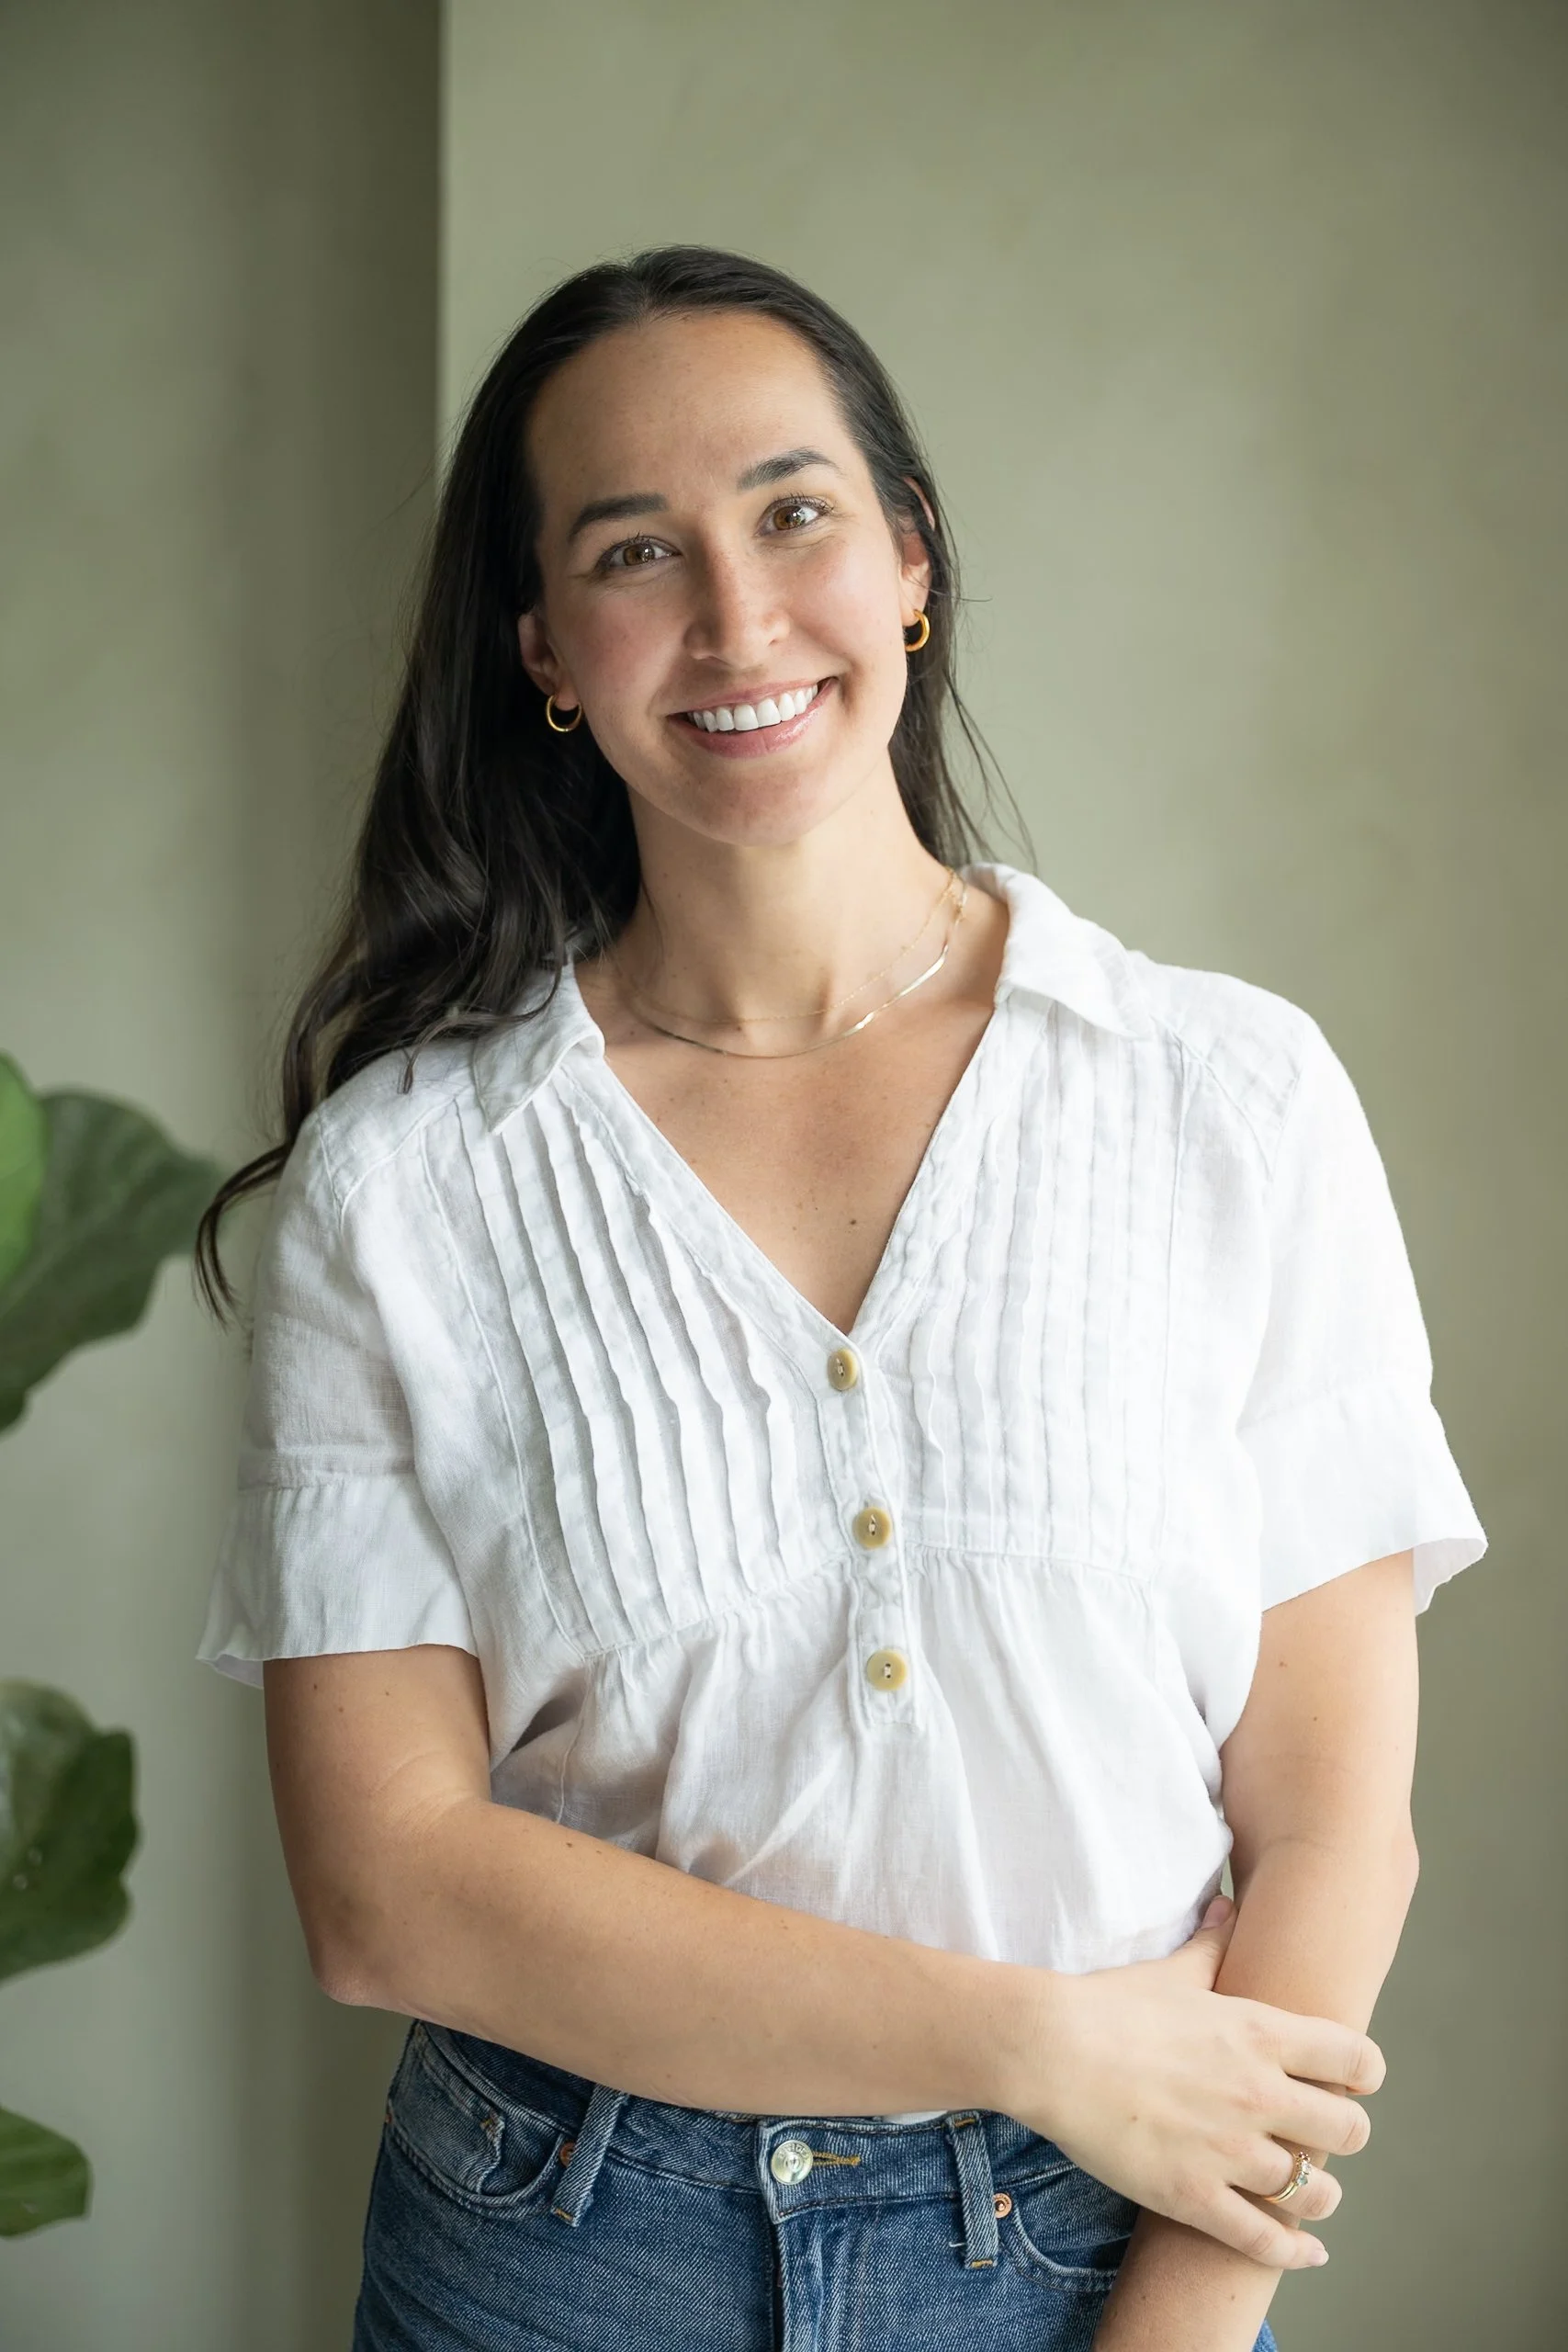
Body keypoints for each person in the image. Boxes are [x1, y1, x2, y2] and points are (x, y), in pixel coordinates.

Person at [197, 246, 1486, 2352]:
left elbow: (1334, 1821)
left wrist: (1187, 2311)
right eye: (635, 550)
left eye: (793, 511)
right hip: (563, 2245)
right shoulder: (410, 1182)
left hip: (1098, 2233)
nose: (733, 616)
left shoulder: (1223, 1094)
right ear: (543, 648)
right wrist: (1032, 2036)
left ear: (907, 561)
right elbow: (385, 1887)